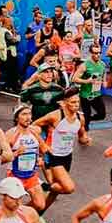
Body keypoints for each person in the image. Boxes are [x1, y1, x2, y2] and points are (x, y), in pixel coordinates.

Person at [33, 87, 90, 216]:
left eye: (77, 102)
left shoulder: (80, 119)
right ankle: (44, 186)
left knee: (56, 190)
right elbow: (33, 126)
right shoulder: (56, 116)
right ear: (64, 102)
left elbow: (82, 137)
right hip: (53, 156)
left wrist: (85, 139)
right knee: (69, 187)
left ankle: (38, 214)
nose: (76, 105)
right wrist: (42, 144)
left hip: (67, 156)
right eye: (72, 102)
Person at [4, 105, 49, 216]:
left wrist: (40, 159)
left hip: (31, 175)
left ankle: (20, 214)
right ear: (16, 118)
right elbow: (1, 159)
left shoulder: (34, 132)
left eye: (29, 114)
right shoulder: (10, 134)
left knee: (40, 204)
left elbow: (44, 149)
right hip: (14, 175)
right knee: (11, 205)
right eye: (24, 114)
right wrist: (15, 154)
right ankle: (12, 215)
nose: (28, 117)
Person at [71, 43, 106, 129]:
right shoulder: (85, 65)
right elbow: (74, 79)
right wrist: (87, 81)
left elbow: (103, 76)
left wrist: (104, 82)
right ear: (91, 53)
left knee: (102, 115)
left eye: (99, 53)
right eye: (95, 53)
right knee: (86, 124)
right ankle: (84, 125)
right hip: (85, 95)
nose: (97, 55)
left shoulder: (102, 64)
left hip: (97, 94)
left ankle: (82, 118)